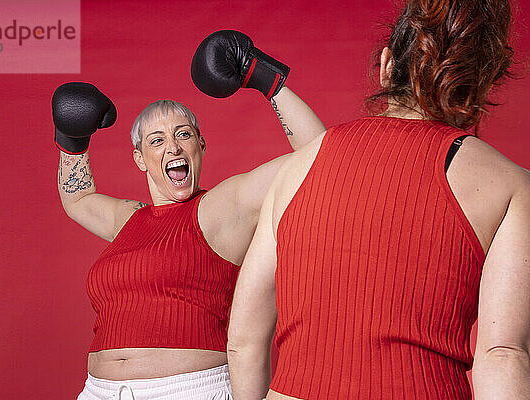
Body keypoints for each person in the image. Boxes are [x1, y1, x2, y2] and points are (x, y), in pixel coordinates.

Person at [227, 1, 530, 399]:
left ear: (387, 65)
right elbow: (502, 354)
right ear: (482, 82)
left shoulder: (297, 168)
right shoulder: (509, 185)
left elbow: (244, 339)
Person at [52, 30, 326, 400]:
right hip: (99, 391)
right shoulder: (130, 219)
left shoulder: (218, 209)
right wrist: (72, 142)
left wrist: (263, 76)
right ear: (140, 160)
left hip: (186, 390)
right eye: (157, 140)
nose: (173, 146)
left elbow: (318, 159)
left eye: (183, 134)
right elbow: (78, 199)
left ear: (201, 146)